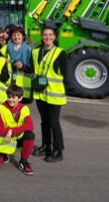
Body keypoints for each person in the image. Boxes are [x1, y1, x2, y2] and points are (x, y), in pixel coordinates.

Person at [28, 27, 67, 163]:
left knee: (54, 122)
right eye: (45, 35)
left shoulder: (60, 53)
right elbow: (32, 69)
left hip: (54, 94)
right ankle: (46, 146)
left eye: (50, 35)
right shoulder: (35, 52)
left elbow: (66, 75)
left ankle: (58, 150)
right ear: (41, 36)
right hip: (40, 93)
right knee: (44, 121)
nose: (47, 37)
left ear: (55, 37)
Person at [0, 85, 35, 175]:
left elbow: (30, 125)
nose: (10, 100)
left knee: (30, 135)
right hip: (2, 140)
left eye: (13, 97)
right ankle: (4, 155)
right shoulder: (0, 108)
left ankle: (23, 162)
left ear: (20, 98)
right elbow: (0, 129)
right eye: (9, 97)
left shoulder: (24, 108)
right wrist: (9, 132)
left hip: (15, 139)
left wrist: (12, 131)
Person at [7, 27, 32, 99]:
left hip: (23, 83)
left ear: (23, 36)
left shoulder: (28, 49)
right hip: (11, 81)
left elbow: (31, 67)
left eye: (18, 35)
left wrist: (23, 66)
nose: (16, 37)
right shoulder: (7, 47)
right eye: (14, 35)